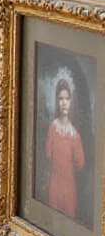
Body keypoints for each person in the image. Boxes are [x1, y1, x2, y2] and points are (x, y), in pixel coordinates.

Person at [44, 77, 86, 220]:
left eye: (67, 99)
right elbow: (48, 155)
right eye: (60, 98)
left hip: (69, 189)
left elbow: (80, 164)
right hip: (54, 187)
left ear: (71, 101)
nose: (64, 103)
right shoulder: (53, 128)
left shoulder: (75, 135)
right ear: (57, 101)